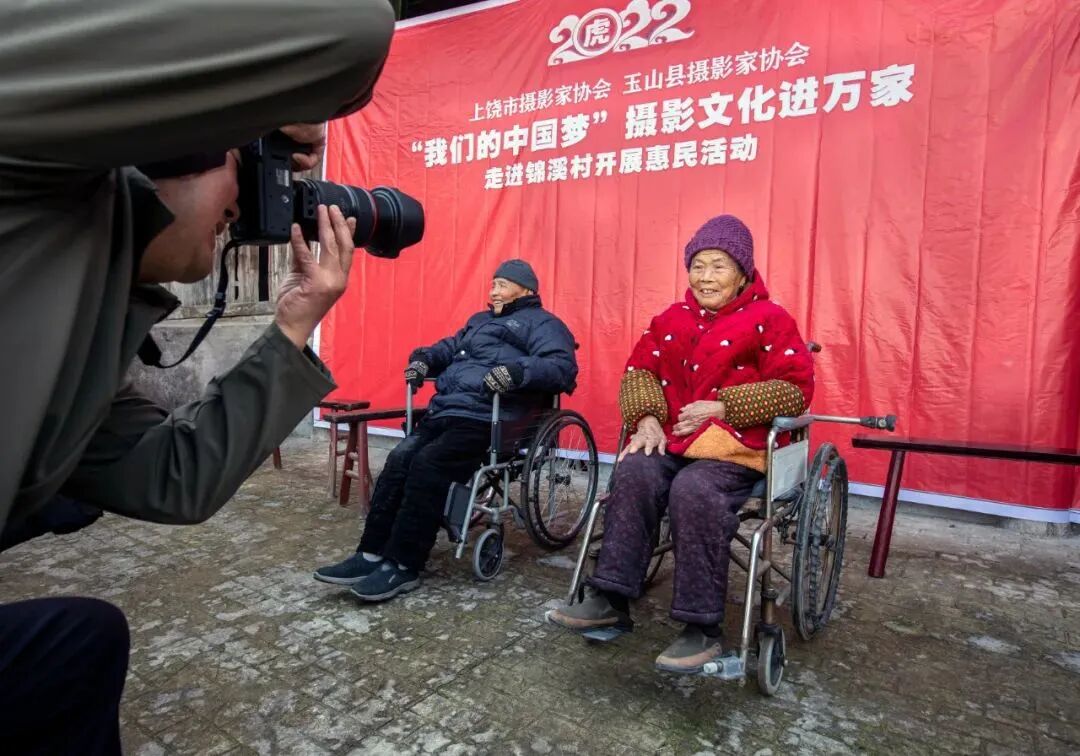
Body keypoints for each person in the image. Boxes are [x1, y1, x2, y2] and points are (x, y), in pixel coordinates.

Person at [0, 1, 396, 753]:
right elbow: (352, 27)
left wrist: (293, 327)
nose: (245, 208)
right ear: (161, 143)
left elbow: (173, 476)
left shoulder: (91, 328)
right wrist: (278, 107)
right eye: (241, 169)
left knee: (78, 644)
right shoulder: (29, 165)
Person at [546, 215, 815, 674]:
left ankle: (701, 626)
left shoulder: (770, 319)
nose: (706, 277)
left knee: (695, 490)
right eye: (698, 265)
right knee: (634, 471)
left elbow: (795, 390)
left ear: (743, 273)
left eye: (719, 266)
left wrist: (725, 406)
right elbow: (640, 372)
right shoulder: (671, 319)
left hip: (732, 446)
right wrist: (647, 418)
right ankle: (610, 597)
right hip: (672, 439)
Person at [314, 259, 578, 601]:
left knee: (428, 465)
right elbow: (449, 348)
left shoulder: (544, 324)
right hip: (448, 410)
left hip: (493, 417)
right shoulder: (479, 321)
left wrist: (516, 371)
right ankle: (370, 553)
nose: (493, 291)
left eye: (502, 284)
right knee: (399, 459)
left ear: (526, 290)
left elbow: (561, 367)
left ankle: (404, 564)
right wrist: (423, 360)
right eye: (492, 284)